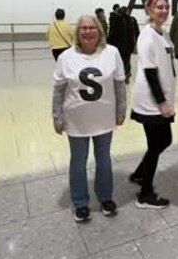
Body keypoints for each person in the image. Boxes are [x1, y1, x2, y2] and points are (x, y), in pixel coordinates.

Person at [53, 14, 126, 222]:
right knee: (78, 161)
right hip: (76, 120)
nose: (87, 31)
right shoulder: (66, 57)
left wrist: (121, 111)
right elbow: (58, 91)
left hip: (104, 118)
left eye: (92, 27)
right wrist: (57, 116)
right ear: (77, 32)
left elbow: (120, 86)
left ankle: (105, 198)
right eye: (83, 28)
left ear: (99, 31)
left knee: (104, 159)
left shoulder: (112, 53)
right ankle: (80, 202)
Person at [128, 0, 176, 209]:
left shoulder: (163, 34)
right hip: (151, 101)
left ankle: (139, 174)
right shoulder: (146, 35)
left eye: (166, 7)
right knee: (159, 143)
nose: (163, 11)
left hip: (162, 99)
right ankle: (145, 194)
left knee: (162, 141)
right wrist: (162, 102)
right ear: (149, 10)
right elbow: (149, 72)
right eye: (159, 7)